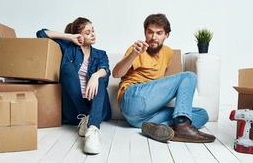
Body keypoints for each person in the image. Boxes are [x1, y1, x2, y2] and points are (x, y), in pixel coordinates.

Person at [112, 13, 215, 143]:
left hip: (142, 119)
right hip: (132, 99)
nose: (153, 37)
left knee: (202, 114)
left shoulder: (168, 53)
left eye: (159, 33)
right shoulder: (137, 49)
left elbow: (166, 85)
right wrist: (133, 54)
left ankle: (160, 129)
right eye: (150, 32)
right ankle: (182, 128)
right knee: (189, 76)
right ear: (145, 33)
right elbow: (116, 74)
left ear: (166, 35)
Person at [37, 17, 111, 154]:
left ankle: (93, 129)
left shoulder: (101, 54)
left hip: (96, 107)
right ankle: (84, 118)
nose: (93, 34)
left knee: (100, 76)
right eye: (88, 32)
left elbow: (105, 69)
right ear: (79, 35)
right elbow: (41, 33)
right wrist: (70, 37)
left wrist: (95, 76)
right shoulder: (69, 49)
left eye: (93, 30)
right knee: (66, 68)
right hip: (75, 111)